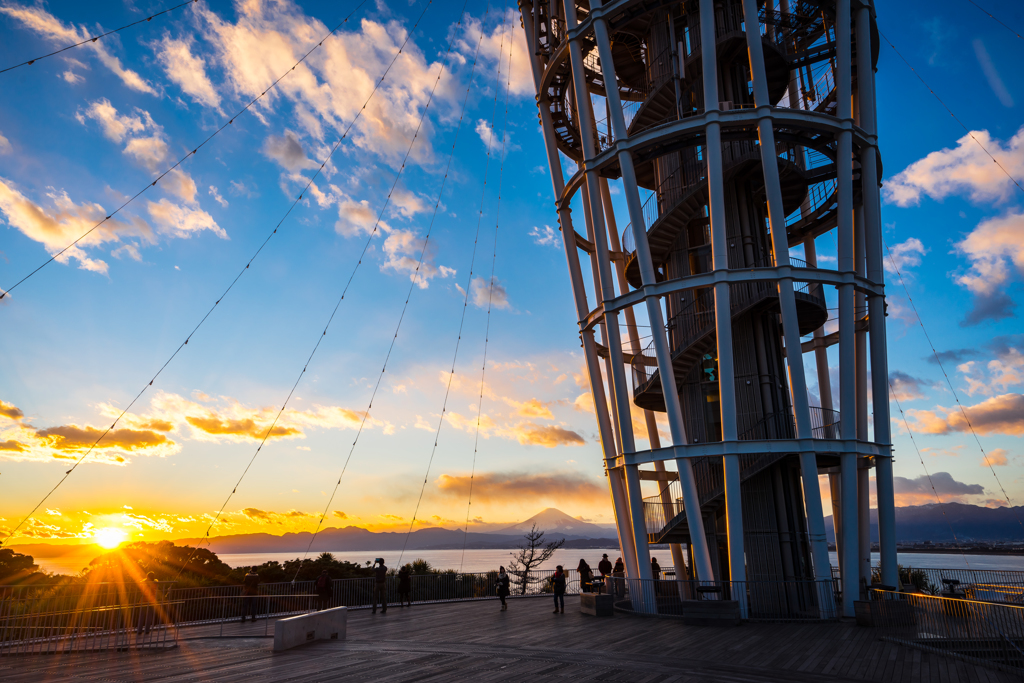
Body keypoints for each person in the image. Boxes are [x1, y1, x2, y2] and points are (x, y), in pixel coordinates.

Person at [136, 571, 159, 636]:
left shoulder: (144, 582)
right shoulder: (155, 582)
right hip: (151, 601)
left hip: (143, 601)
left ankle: (139, 630)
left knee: (141, 616)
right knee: (149, 616)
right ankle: (147, 630)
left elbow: (140, 588)